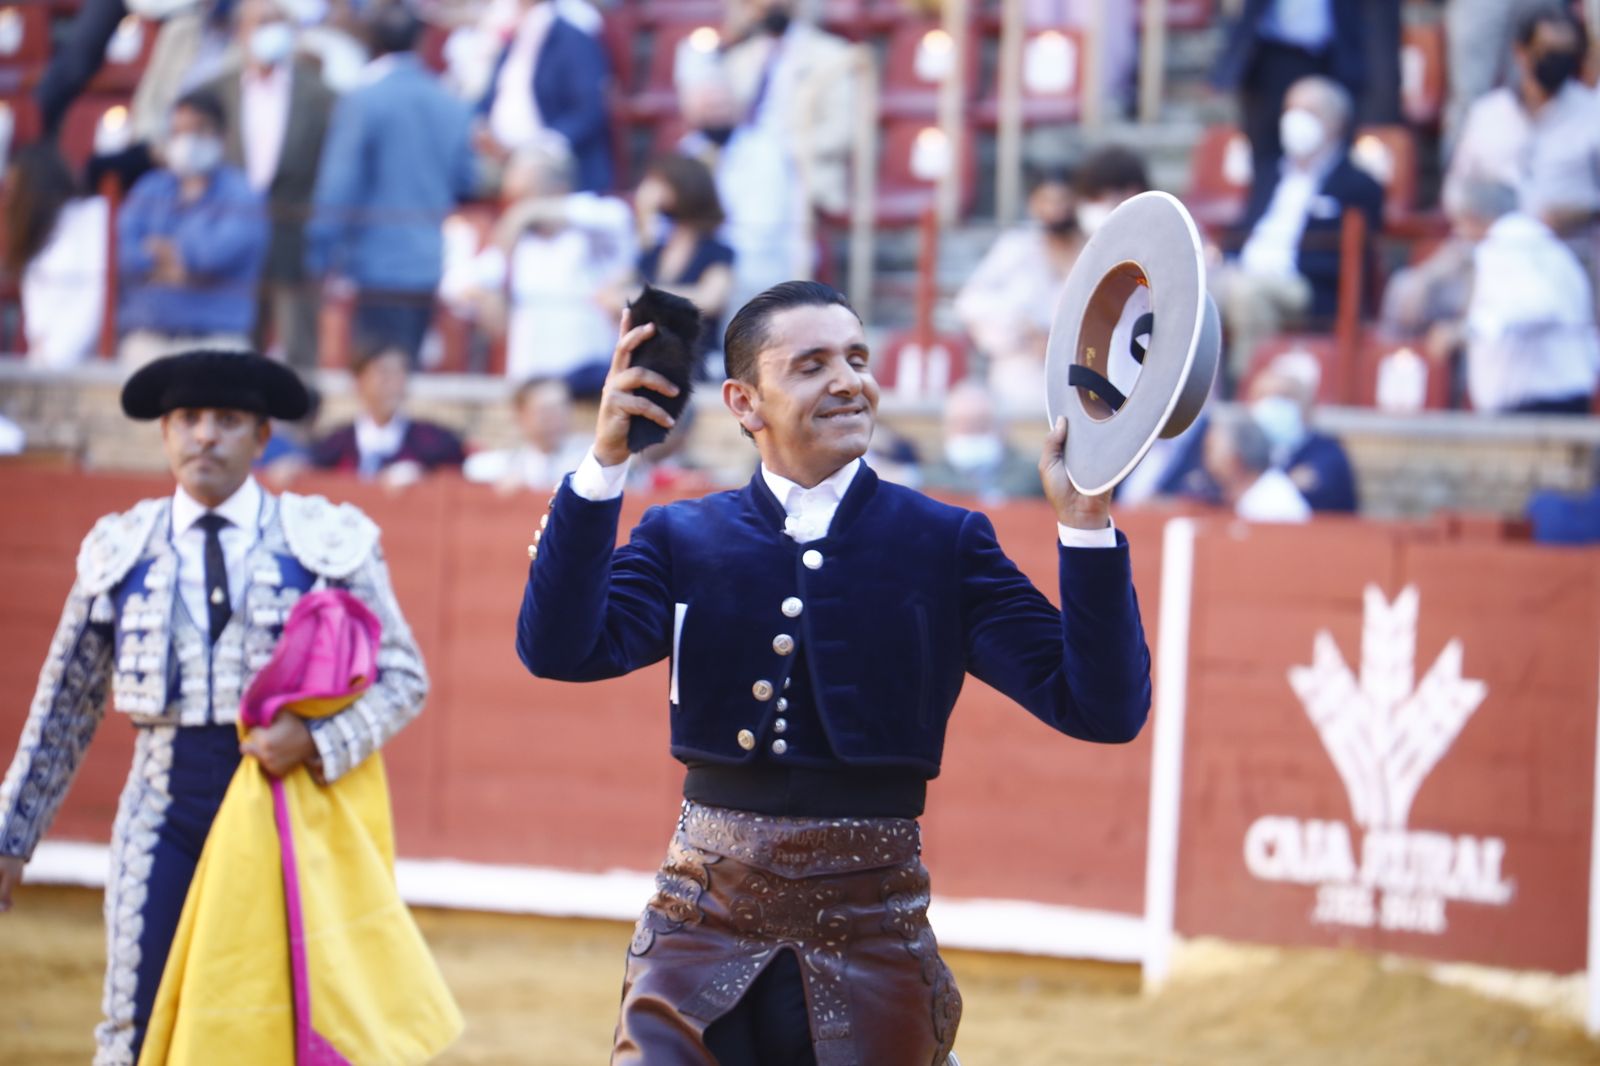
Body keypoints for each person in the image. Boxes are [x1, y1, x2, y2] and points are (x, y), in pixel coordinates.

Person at [516, 280, 1151, 1063]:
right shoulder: (682, 536)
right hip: (699, 926)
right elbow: (558, 650)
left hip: (872, 934)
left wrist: (1085, 526)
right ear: (744, 403)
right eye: (811, 365)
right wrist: (605, 460)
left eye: (856, 358)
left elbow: (1101, 708)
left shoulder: (943, 542)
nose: (849, 380)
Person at [0, 349, 430, 1065]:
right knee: (135, 1023)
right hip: (161, 807)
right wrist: (11, 836)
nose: (205, 436)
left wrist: (317, 741)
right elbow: (65, 706)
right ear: (165, 433)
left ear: (262, 438)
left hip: (284, 810)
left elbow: (403, 677)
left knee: (281, 1026)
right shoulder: (120, 550)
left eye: (226, 421)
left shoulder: (322, 541)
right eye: (189, 420)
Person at [305, 1, 477, 364]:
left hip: (374, 264)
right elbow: (466, 177)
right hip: (428, 259)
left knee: (377, 372)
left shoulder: (363, 100)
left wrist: (319, 255)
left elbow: (339, 186)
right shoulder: (448, 101)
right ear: (419, 42)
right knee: (404, 372)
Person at [681, 0, 854, 310]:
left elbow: (842, 130)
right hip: (739, 168)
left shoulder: (834, 56)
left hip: (801, 171)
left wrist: (781, 152)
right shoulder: (741, 56)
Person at [1211, 75, 1384, 384]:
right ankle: (1189, 390)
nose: (1296, 119)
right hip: (1243, 272)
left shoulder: (1357, 183)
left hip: (1302, 286)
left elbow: (1352, 258)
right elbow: (1245, 228)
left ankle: (1245, 388)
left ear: (1335, 122)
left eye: (1309, 111)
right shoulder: (1269, 172)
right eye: (1292, 109)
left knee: (1249, 294)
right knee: (1192, 287)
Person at [204, 0, 335, 370]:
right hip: (232, 239)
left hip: (296, 238)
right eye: (261, 21)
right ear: (240, 31)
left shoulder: (321, 94)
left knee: (299, 352)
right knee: (235, 352)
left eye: (278, 21)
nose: (269, 30)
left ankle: (302, 424)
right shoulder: (215, 92)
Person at [448, 132, 634, 392]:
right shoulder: (521, 242)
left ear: (559, 188)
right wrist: (482, 296)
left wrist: (525, 214)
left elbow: (615, 218)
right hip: (531, 378)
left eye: (528, 194)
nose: (518, 206)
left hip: (587, 375)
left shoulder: (595, 224)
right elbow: (459, 284)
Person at [1441, 4, 1600, 299]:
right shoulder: (1487, 113)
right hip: (1488, 251)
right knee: (1408, 297)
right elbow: (1455, 195)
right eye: (1548, 52)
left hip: (1569, 254)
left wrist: (1577, 213)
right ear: (1522, 53)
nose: (1557, 62)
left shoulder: (1592, 115)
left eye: (1565, 54)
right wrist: (1485, 223)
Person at [116, 88, 270, 366]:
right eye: (178, 132)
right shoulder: (150, 187)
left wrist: (166, 255)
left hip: (218, 343)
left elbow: (213, 256)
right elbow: (123, 253)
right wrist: (170, 262)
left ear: (222, 138)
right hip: (147, 341)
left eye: (198, 131)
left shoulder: (242, 194)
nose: (187, 141)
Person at [1425, 181, 1600, 415]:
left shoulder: (1507, 246)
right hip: (1562, 393)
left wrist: (1464, 331)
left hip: (1535, 403)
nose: (1459, 232)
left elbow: (1539, 305)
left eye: (1460, 222)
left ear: (1474, 217)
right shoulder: (1547, 247)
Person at [1211, 0, 1364, 209]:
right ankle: (1260, 223)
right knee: (1266, 158)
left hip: (1328, 56)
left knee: (1329, 153)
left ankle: (1321, 227)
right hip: (1270, 58)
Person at [953, 165, 1083, 413]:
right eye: (1047, 201)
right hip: (1020, 376)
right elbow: (969, 302)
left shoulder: (1092, 248)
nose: (1055, 209)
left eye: (1062, 201)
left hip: (1078, 372)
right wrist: (1025, 327)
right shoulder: (1016, 248)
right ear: (1034, 203)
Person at [474, 0, 613, 194]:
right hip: (501, 153)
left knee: (527, 173)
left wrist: (543, 145)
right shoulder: (511, 45)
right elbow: (486, 102)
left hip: (550, 155)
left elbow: (589, 111)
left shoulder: (573, 40)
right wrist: (482, 130)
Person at [3, 142, 109, 367]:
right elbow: (38, 321)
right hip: (45, 362)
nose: (10, 199)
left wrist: (55, 355)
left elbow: (97, 297)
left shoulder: (93, 216)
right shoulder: (37, 236)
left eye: (14, 189)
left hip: (84, 362)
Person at [633, 154, 736, 373]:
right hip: (649, 358)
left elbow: (710, 299)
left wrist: (644, 296)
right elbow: (607, 293)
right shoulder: (654, 250)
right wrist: (643, 220)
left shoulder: (717, 250)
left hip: (695, 361)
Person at [311, 344, 467, 483]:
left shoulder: (434, 441)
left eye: (400, 374)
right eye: (384, 374)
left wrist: (425, 476)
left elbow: (459, 475)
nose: (393, 384)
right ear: (359, 382)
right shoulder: (335, 443)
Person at [1246, 350, 1357, 511]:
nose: (1272, 404)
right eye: (1263, 396)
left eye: (1284, 396)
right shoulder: (1246, 452)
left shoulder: (1328, 453)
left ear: (1308, 405)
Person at [921, 379, 1045, 501]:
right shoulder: (930, 476)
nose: (971, 434)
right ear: (947, 429)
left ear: (1003, 428)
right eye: (962, 426)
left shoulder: (1031, 474)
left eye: (980, 425)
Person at [463, 375, 590, 493]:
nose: (556, 419)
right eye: (545, 412)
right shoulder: (509, 462)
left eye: (561, 408)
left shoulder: (590, 456)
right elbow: (473, 468)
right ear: (521, 416)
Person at [1202, 410, 1311, 523]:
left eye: (1211, 449)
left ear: (1235, 457)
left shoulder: (1273, 504)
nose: (1206, 458)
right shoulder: (1246, 495)